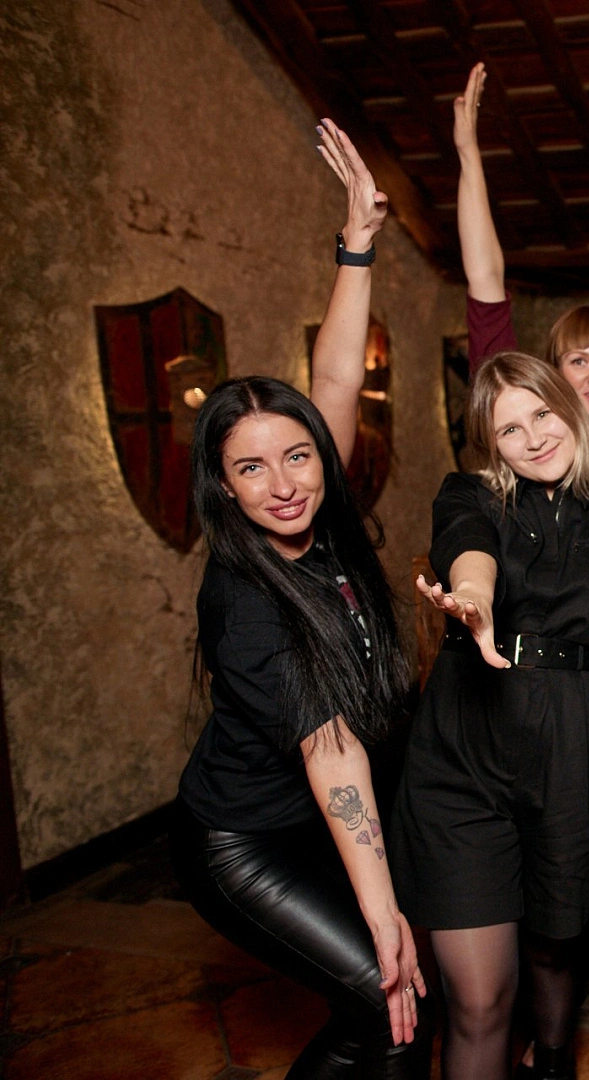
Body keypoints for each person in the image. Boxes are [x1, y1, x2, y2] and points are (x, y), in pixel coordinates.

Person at [171, 119, 429, 1078]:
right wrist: (383, 912)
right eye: (251, 468)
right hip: (241, 844)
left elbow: (333, 376)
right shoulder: (244, 595)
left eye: (296, 455)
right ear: (224, 486)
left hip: (314, 825)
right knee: (384, 997)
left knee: (404, 1016)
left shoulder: (329, 519)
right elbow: (332, 754)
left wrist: (357, 244)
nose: (282, 483)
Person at [390, 353, 589, 1080]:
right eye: (510, 430)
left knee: (554, 946)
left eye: (542, 414)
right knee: (481, 998)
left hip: (575, 747)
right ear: (491, 444)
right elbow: (469, 551)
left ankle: (553, 1062)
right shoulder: (472, 493)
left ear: (569, 407)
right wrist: (474, 600)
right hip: (466, 752)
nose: (534, 437)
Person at [453, 63, 589, 449]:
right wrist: (468, 153)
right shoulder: (534, 441)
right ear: (554, 372)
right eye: (578, 361)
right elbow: (486, 279)